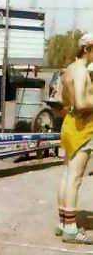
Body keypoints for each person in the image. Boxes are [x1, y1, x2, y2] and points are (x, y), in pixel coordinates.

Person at [56, 33, 93, 244]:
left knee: (67, 173)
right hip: (82, 127)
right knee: (75, 178)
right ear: (87, 49)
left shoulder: (69, 69)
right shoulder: (81, 71)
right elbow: (80, 102)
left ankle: (63, 223)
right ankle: (71, 229)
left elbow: (65, 100)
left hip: (70, 124)